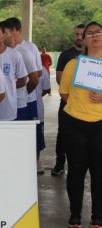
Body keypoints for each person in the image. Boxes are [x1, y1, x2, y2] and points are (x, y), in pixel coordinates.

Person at [59, 21, 102, 228]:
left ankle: (98, 216)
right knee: (75, 171)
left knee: (99, 172)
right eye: (90, 33)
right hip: (74, 124)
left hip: (100, 124)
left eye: (99, 33)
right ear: (83, 39)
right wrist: (80, 107)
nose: (95, 36)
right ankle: (75, 214)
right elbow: (64, 93)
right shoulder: (73, 65)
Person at [52, 24, 85, 176]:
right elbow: (59, 79)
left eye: (81, 34)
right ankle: (60, 164)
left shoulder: (95, 57)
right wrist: (74, 98)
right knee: (63, 134)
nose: (79, 37)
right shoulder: (66, 55)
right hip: (67, 104)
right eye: (76, 34)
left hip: (89, 108)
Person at [0, 21, 28, 121]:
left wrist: (8, 86)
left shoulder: (15, 55)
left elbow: (23, 80)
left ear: (4, 35)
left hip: (8, 110)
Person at [36, 67, 51, 166]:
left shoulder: (42, 69)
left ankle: (36, 162)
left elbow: (47, 88)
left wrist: (37, 96)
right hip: (18, 109)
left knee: (37, 139)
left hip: (37, 110)